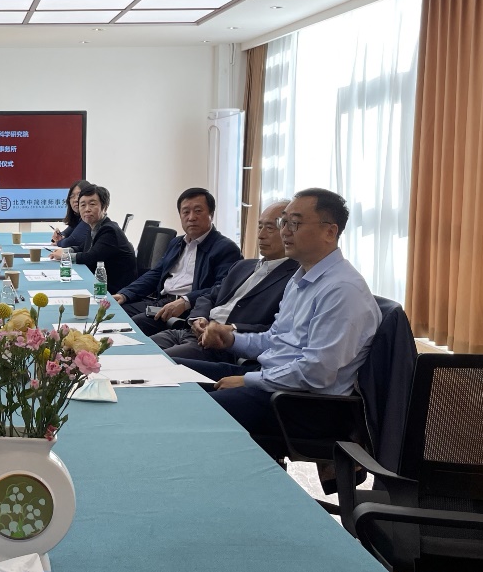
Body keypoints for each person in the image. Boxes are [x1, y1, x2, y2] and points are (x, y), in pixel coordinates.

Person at [187, 188, 383, 459]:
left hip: (305, 404)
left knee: (193, 411)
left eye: (295, 223)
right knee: (175, 374)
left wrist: (248, 380)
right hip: (275, 381)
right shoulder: (300, 278)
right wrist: (231, 340)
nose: (285, 232)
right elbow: (275, 339)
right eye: (284, 222)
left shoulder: (342, 289)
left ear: (329, 232)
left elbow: (316, 372)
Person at [151, 201, 298, 363]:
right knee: (134, 351)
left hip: (221, 346)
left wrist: (231, 329)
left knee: (152, 362)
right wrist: (199, 317)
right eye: (259, 227)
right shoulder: (243, 266)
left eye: (269, 228)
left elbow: (275, 329)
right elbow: (209, 296)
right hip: (189, 332)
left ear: (288, 230)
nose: (261, 235)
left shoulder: (295, 278)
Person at [114, 187, 242, 336]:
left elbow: (223, 288)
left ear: (211, 214)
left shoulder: (225, 248)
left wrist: (186, 301)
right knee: (112, 313)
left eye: (198, 211)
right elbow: (156, 273)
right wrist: (125, 294)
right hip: (161, 302)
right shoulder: (177, 243)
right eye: (186, 212)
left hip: (189, 310)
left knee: (134, 325)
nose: (191, 217)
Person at [49, 183, 138, 293]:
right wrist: (66, 250)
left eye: (92, 204)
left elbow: (91, 257)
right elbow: (82, 248)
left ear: (104, 207)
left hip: (115, 292)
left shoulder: (109, 230)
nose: (87, 209)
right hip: (100, 284)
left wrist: (65, 256)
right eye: (82, 205)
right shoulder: (94, 227)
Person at [50, 179, 92, 250]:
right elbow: (66, 233)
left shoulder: (88, 217)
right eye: (72, 196)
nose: (75, 199)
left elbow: (71, 241)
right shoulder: (78, 218)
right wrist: (60, 236)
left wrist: (59, 242)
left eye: (79, 195)